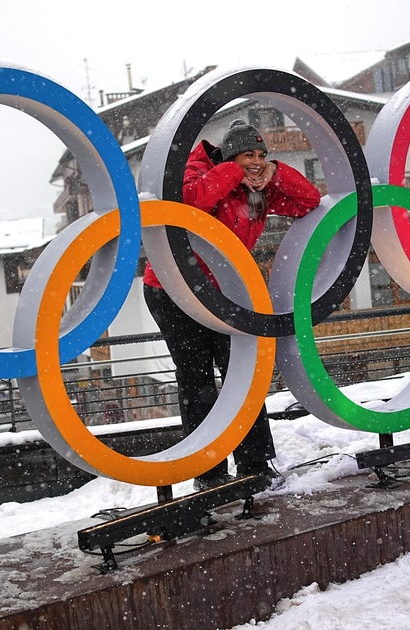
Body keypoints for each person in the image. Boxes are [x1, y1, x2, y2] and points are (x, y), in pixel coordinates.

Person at [142, 119, 321, 491]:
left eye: (261, 155)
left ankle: (255, 465)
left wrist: (274, 173)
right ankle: (208, 472)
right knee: (197, 379)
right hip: (175, 290)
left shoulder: (256, 191)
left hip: (228, 293)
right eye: (247, 155)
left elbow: (308, 201)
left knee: (243, 375)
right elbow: (190, 200)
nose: (255, 162)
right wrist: (233, 172)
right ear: (229, 155)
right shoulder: (198, 169)